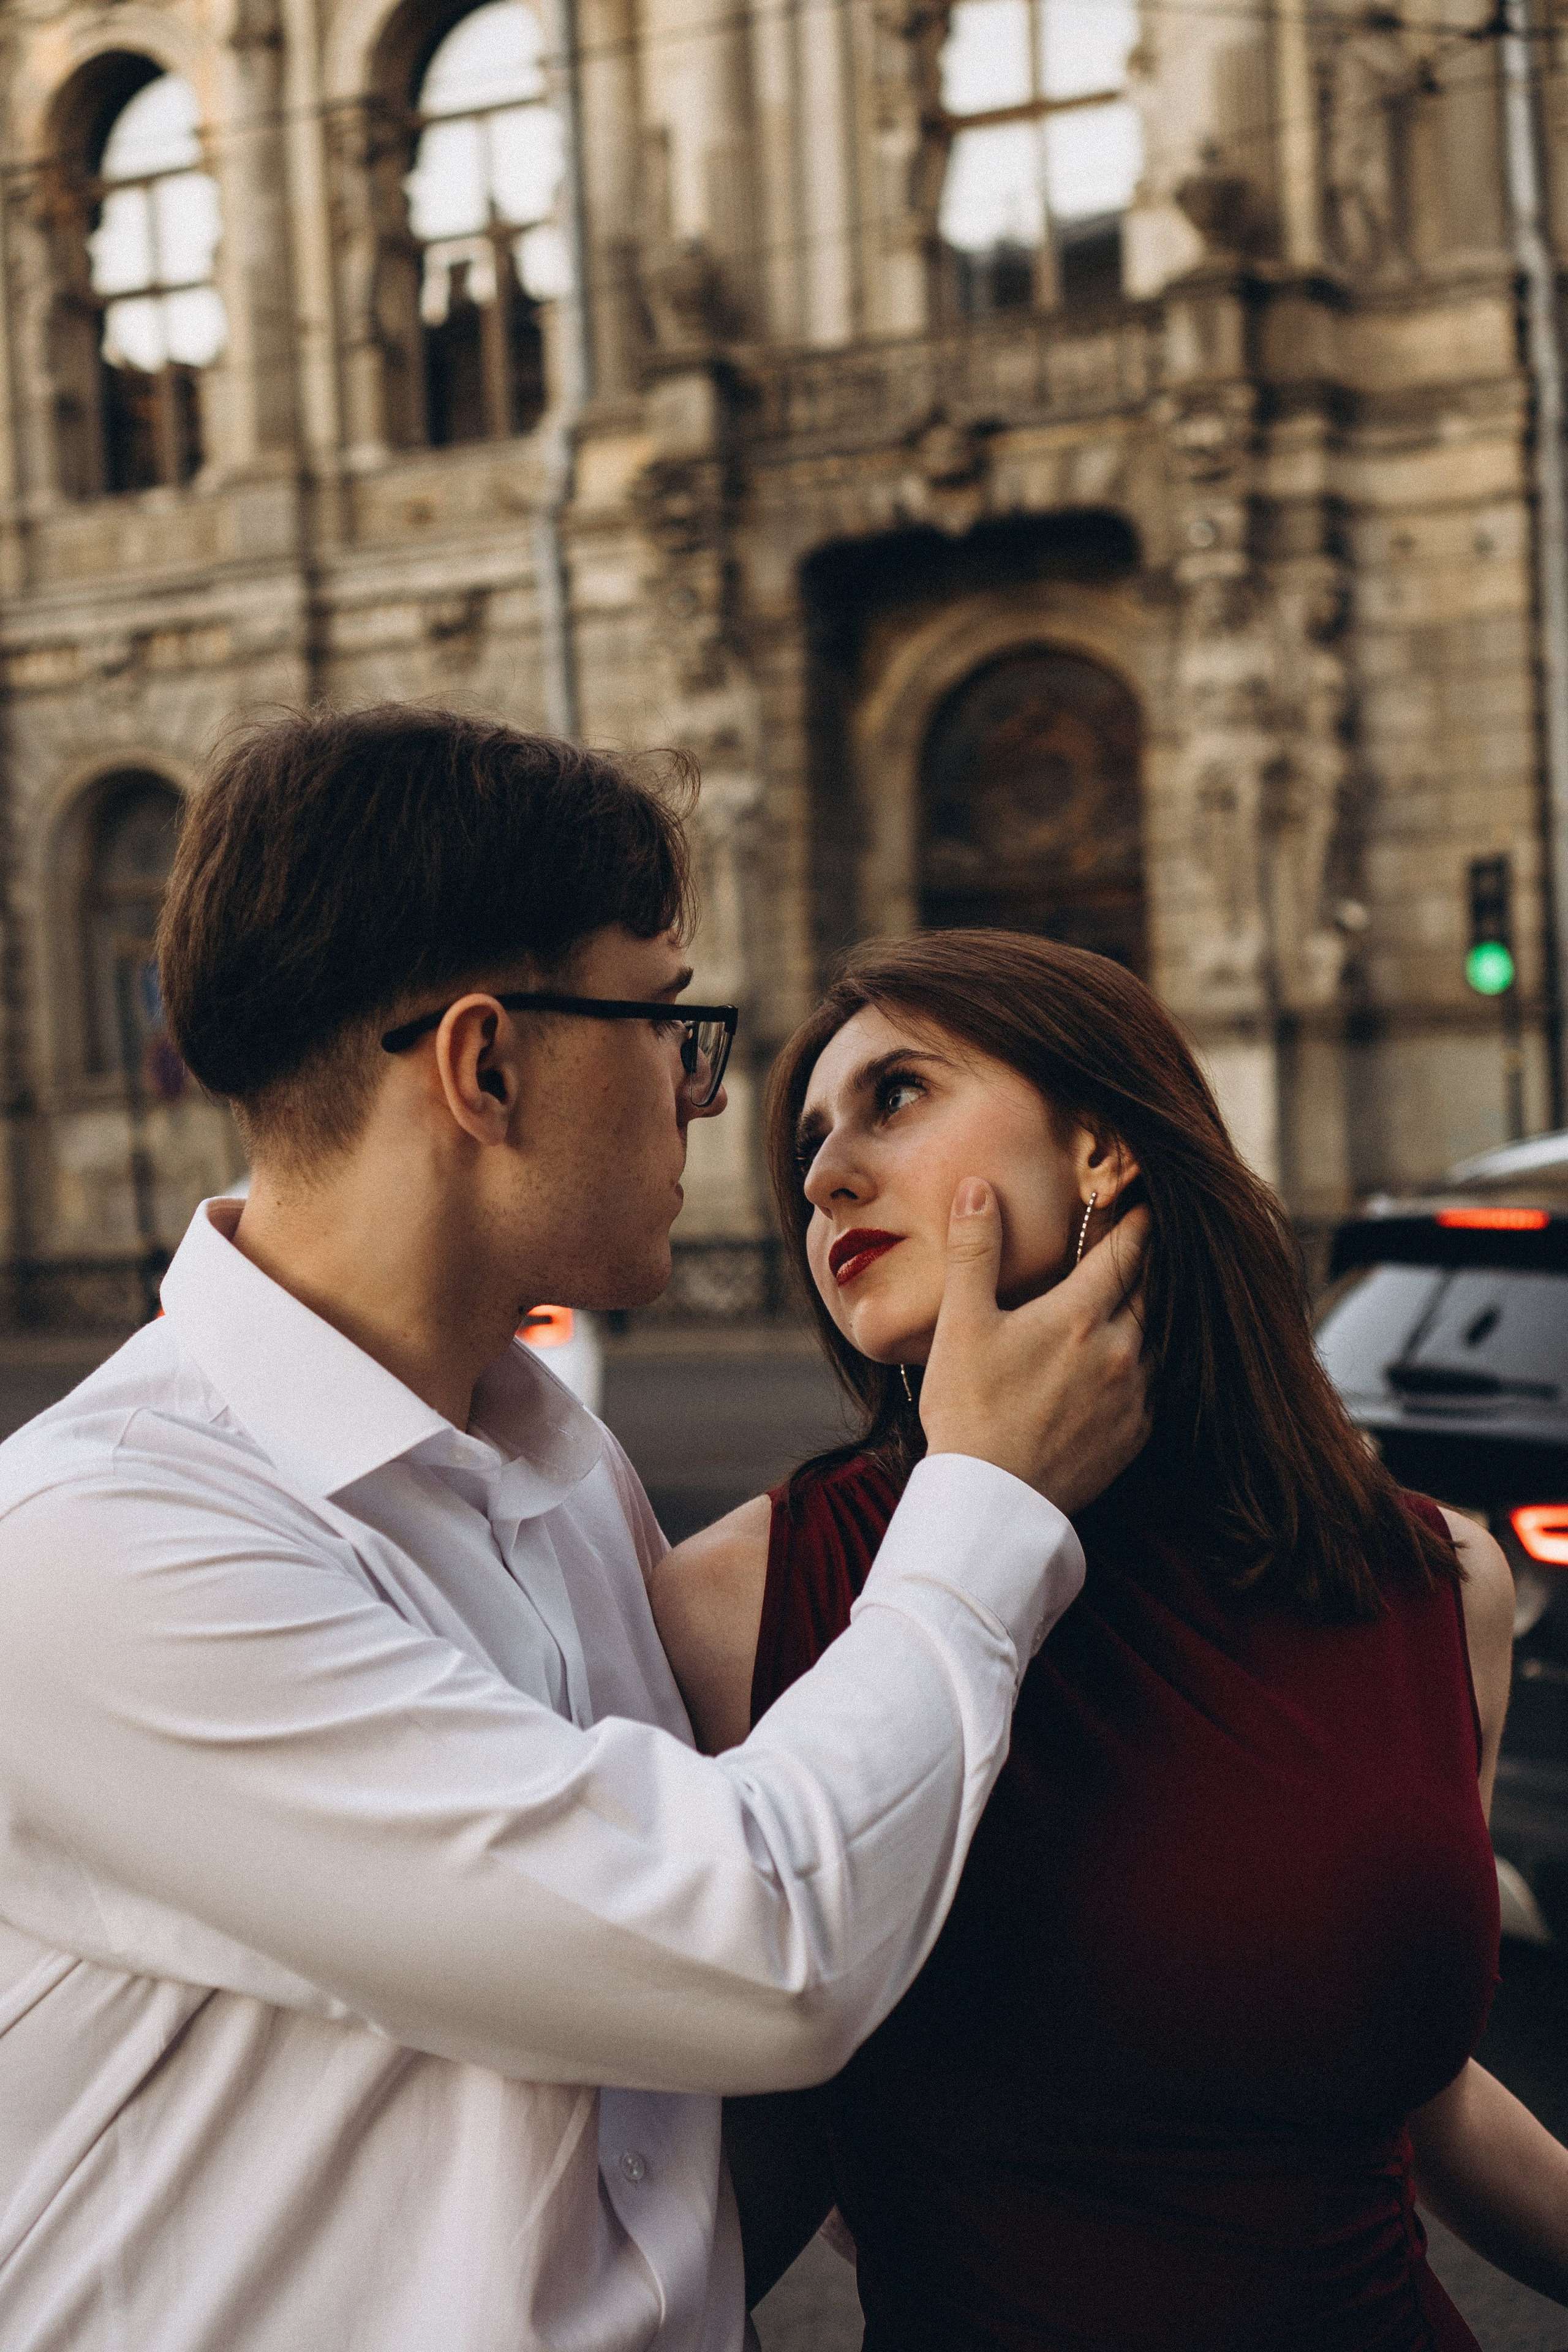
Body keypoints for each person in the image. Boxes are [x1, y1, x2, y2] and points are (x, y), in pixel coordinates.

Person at [0, 709, 1154, 2352]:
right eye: (666, 1021)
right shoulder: (99, 1546)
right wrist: (990, 1498)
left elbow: (633, 2132)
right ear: (486, 1067)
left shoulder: (560, 1468)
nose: (706, 1096)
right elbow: (754, 1950)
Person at [650, 927, 1568, 2351]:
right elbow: (734, 2168)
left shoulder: (1439, 1584)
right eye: (809, 1140)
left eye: (895, 1096)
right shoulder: (740, 1602)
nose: (824, 1174)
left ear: (1101, 1148)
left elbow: (1422, 2092)